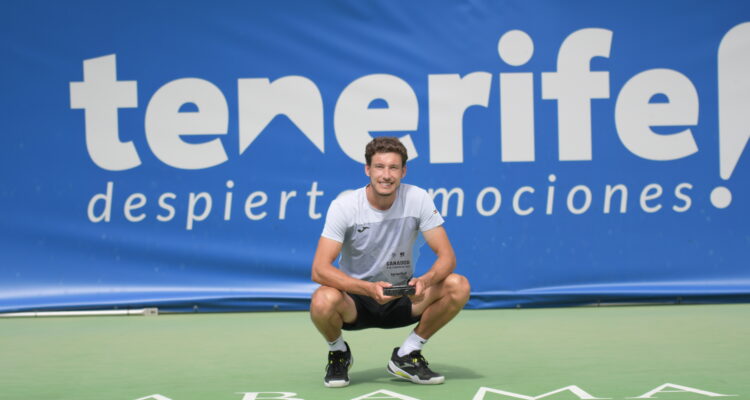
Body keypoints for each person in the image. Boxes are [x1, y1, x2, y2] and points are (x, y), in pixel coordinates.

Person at [309, 136, 471, 388]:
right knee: (322, 299)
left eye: (393, 167)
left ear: (403, 171)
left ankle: (407, 354)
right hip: (356, 300)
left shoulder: (417, 199)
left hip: (403, 295)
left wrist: (425, 281)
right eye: (379, 167)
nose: (386, 175)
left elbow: (447, 257)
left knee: (458, 285)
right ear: (368, 170)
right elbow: (319, 269)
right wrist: (367, 289)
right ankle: (339, 352)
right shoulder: (345, 206)